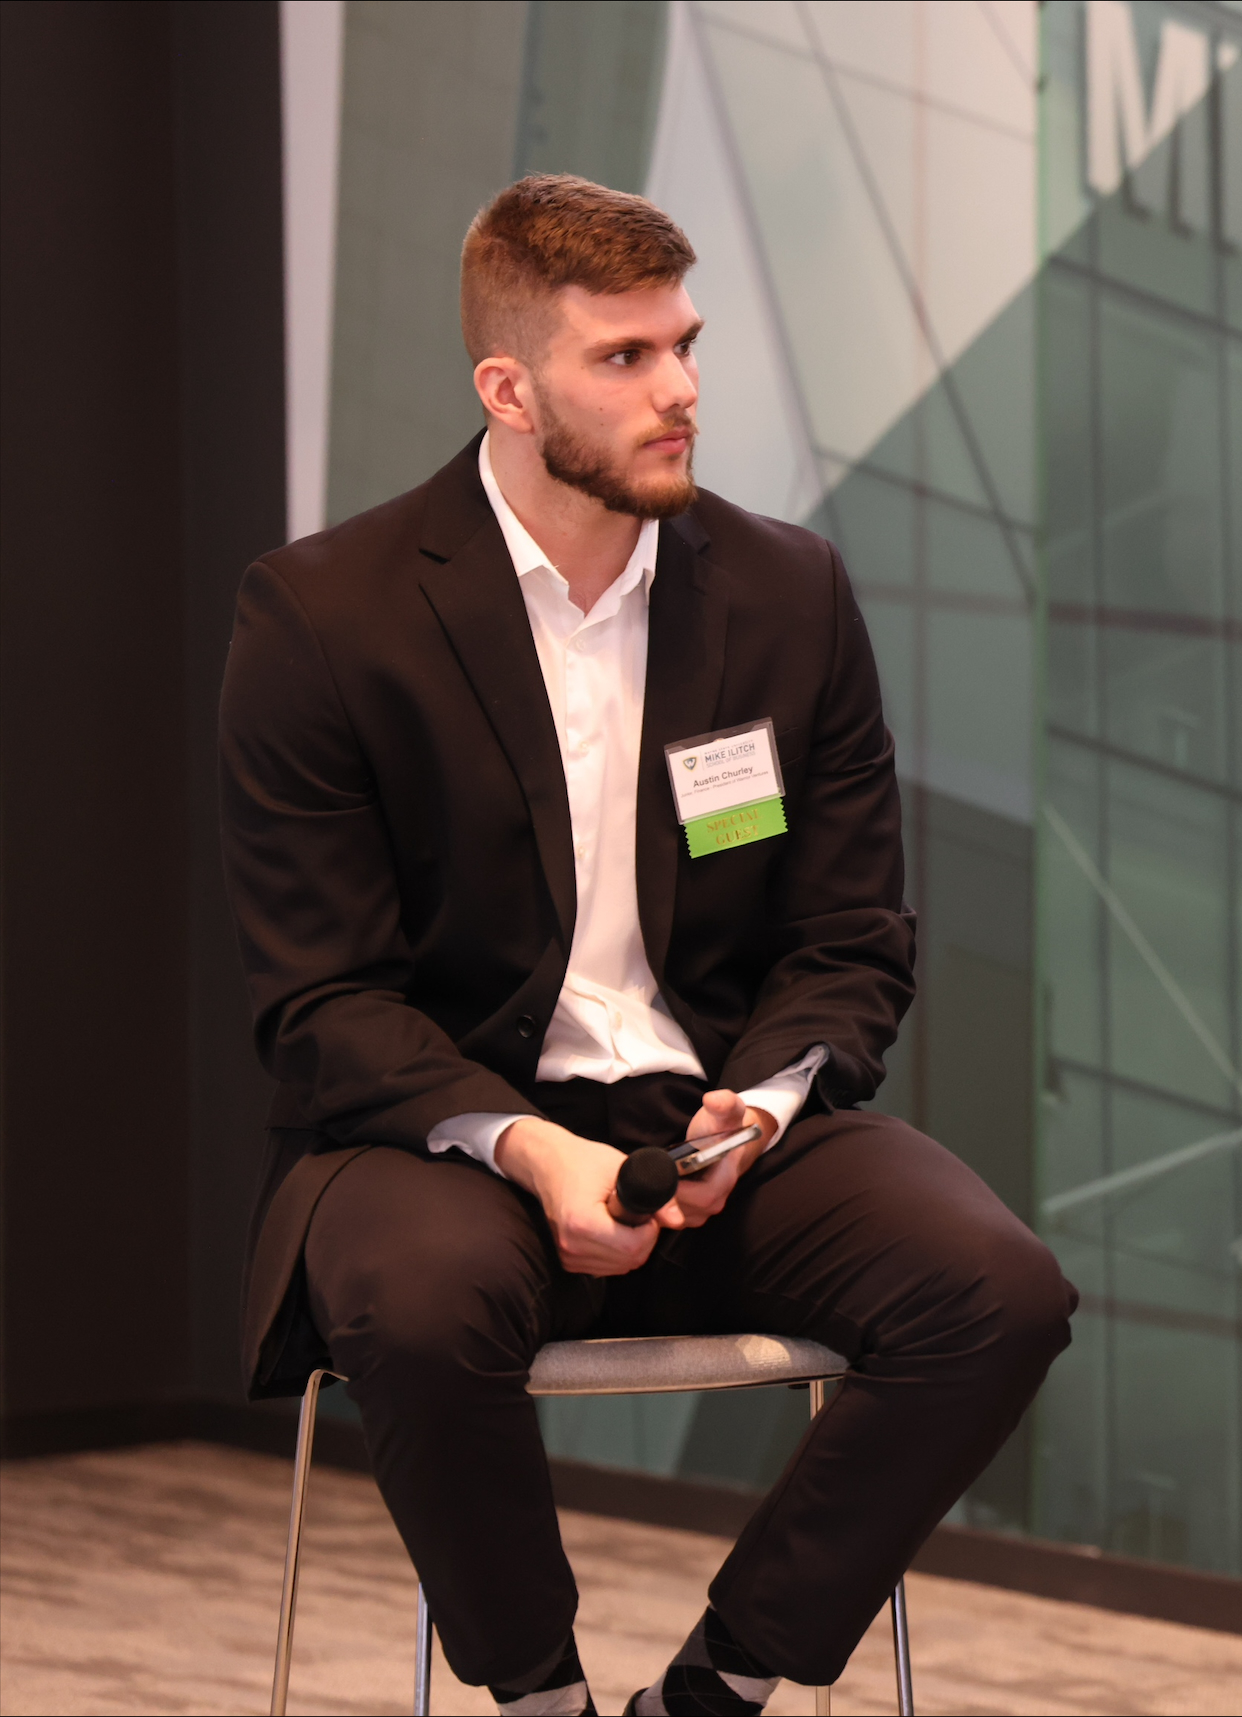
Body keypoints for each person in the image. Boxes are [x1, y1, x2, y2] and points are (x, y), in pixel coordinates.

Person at [218, 175, 1074, 1717]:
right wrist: (529, 1148)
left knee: (998, 1288)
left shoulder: (788, 593)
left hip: (712, 1121)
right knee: (418, 1306)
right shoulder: (325, 616)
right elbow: (320, 1000)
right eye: (625, 359)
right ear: (509, 386)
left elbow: (851, 934)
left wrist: (760, 1108)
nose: (679, 389)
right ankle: (540, 1695)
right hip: (441, 1137)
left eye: (683, 344)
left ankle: (720, 1687)